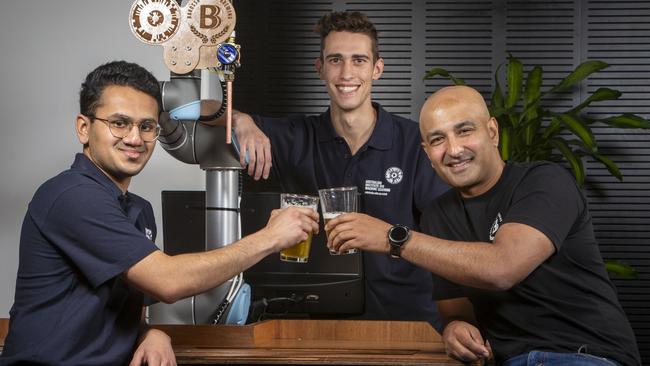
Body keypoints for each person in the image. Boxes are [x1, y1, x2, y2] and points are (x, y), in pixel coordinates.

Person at [0, 61, 319, 366]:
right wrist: (269, 238)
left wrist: (150, 333)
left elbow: (123, 310)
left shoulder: (138, 209)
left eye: (147, 126)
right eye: (119, 123)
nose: (135, 138)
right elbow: (167, 281)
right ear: (84, 128)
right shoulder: (72, 195)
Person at [325, 85, 641, 365]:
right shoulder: (438, 215)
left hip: (585, 355)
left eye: (464, 131)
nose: (454, 149)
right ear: (427, 154)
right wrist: (455, 328)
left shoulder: (544, 181)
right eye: (438, 139)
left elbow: (503, 268)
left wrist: (392, 238)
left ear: (492, 132)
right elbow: (457, 311)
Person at [233, 11, 449, 327]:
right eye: (335, 60)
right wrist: (241, 120)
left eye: (359, 60)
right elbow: (201, 113)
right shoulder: (297, 136)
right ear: (320, 69)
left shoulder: (416, 143)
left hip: (407, 322)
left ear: (377, 68)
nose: (347, 72)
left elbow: (448, 242)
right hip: (317, 321)